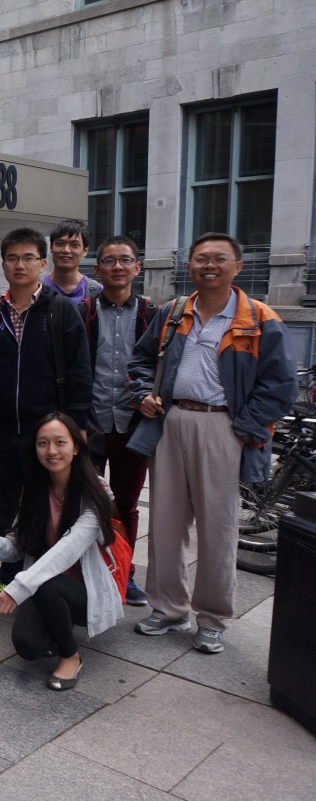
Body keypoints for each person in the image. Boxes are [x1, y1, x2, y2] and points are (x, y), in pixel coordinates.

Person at [128, 232, 296, 654]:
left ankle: (213, 618)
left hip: (224, 427)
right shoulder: (173, 312)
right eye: (201, 258)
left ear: (238, 267)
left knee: (218, 528)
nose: (209, 265)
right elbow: (141, 360)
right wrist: (143, 394)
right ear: (189, 265)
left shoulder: (260, 319)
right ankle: (168, 609)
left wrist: (244, 427)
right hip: (171, 421)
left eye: (219, 259)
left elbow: (280, 386)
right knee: (165, 524)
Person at [0, 227, 92, 592]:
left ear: (42, 263)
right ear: (3, 265)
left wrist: (76, 424)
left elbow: (81, 372)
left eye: (28, 258)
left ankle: (47, 579)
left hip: (47, 432)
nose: (20, 265)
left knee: (46, 503)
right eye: (12, 258)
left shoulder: (61, 311)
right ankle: (12, 577)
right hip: (1, 430)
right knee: (8, 506)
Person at [0, 412, 124, 691]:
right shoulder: (34, 491)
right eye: (43, 443)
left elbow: (68, 548)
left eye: (60, 442)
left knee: (48, 584)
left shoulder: (95, 492)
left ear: (76, 447)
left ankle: (71, 656)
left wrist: (19, 586)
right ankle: (55, 622)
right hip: (43, 586)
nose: (51, 451)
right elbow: (16, 548)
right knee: (28, 646)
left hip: (85, 590)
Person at [79, 236, 155, 606]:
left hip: (133, 424)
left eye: (125, 260)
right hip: (90, 424)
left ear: (137, 267)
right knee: (86, 501)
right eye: (110, 260)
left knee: (126, 503)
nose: (118, 267)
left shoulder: (153, 315)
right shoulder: (83, 312)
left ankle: (125, 573)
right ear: (97, 269)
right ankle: (86, 571)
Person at [42, 219, 102, 303]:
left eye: (74, 245)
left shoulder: (97, 293)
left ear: (85, 251)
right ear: (51, 247)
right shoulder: (35, 287)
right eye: (60, 243)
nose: (66, 250)